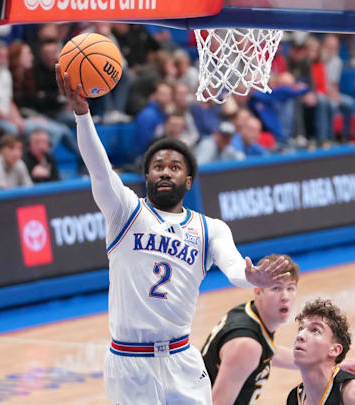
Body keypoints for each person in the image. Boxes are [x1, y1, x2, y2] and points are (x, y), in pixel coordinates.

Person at [56, 65, 291, 405]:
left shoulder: (210, 228)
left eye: (175, 167)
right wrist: (82, 115)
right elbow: (100, 169)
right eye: (158, 166)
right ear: (148, 176)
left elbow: (235, 266)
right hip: (129, 363)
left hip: (182, 357)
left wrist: (249, 275)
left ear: (188, 181)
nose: (166, 171)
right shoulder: (126, 212)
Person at [201, 254, 355, 405]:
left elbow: (271, 352)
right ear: (258, 291)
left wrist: (323, 360)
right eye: (276, 288)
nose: (285, 297)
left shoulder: (248, 315)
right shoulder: (247, 345)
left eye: (290, 288)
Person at [287, 298, 355, 405]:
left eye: (315, 330)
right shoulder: (294, 398)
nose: (300, 336)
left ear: (335, 350)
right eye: (300, 329)